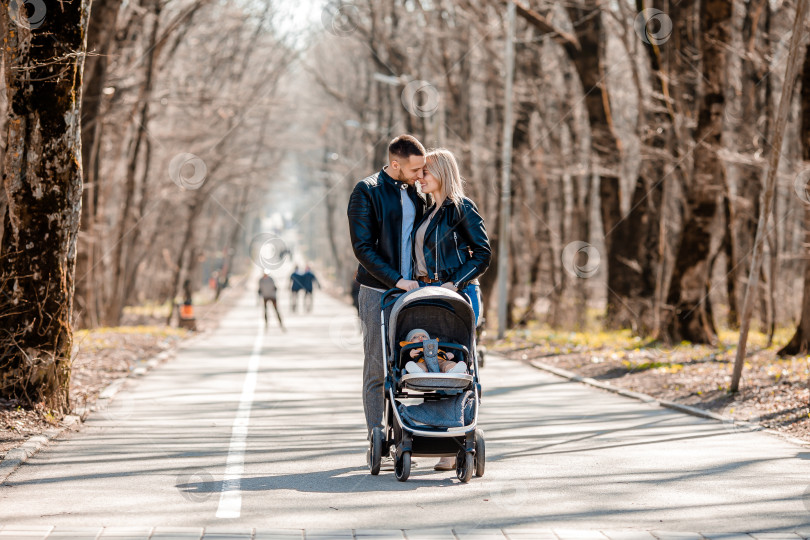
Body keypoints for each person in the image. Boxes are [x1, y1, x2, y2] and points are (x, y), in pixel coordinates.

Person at [348, 134, 427, 470]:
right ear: (395, 164)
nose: (420, 175)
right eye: (414, 169)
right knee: (378, 365)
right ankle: (375, 434)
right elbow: (362, 247)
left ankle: (416, 430)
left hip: (417, 292)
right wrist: (396, 280)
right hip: (379, 291)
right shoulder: (366, 191)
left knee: (417, 362)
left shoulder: (418, 192)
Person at [412, 148, 491, 469]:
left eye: (425, 172)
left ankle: (456, 442)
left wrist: (454, 282)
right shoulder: (428, 211)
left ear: (442, 172)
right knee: (435, 365)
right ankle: (438, 435)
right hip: (431, 296)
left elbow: (482, 254)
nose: (419, 178)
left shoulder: (461, 208)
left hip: (458, 295)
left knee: (459, 365)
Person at [400, 328, 466, 374]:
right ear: (409, 341)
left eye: (423, 336)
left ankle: (454, 369)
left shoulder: (437, 347)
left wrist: (451, 355)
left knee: (447, 364)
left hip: (440, 361)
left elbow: (447, 356)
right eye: (415, 337)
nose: (420, 338)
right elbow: (402, 363)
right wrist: (409, 355)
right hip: (422, 361)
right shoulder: (410, 350)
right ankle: (417, 371)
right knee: (418, 366)